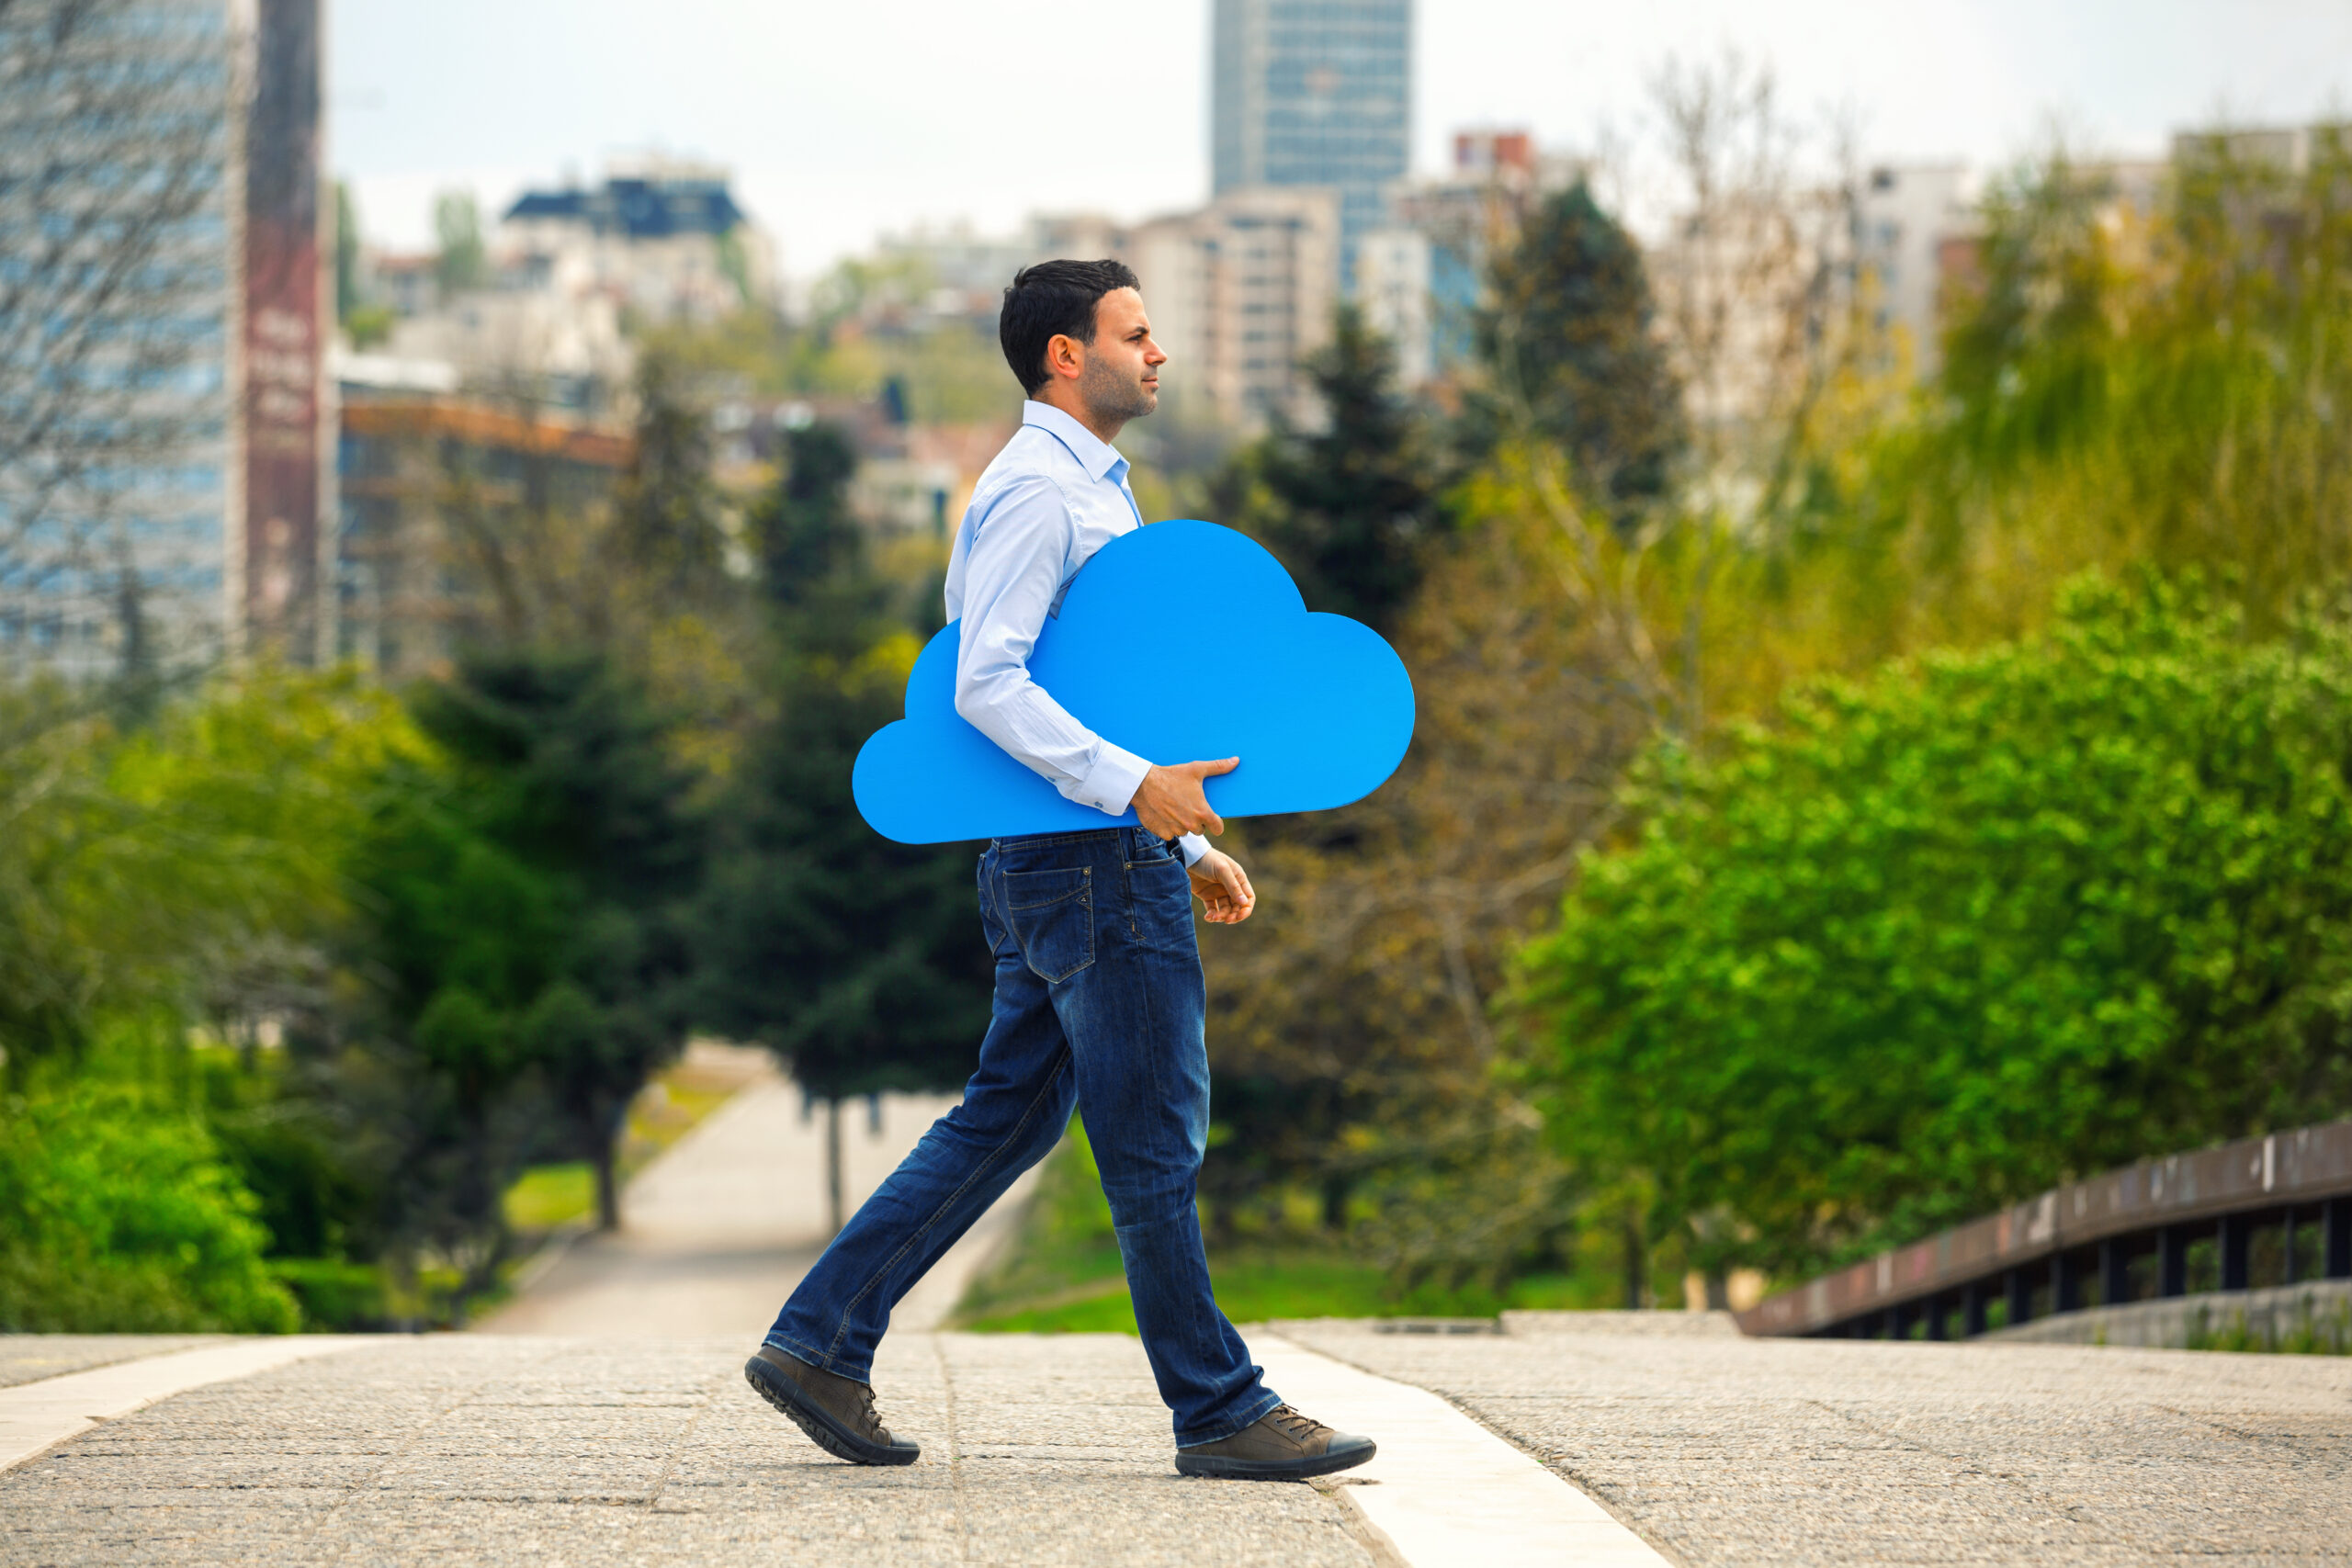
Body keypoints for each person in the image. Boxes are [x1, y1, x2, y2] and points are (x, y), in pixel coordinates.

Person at [743, 259, 1376, 1483]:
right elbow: (987, 683)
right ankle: (1220, 1408)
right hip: (1084, 869)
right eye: (1137, 334)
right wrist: (1140, 799)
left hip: (1078, 859)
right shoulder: (1043, 493)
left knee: (1003, 1122)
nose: (1159, 354)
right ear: (1065, 355)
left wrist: (1183, 837)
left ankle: (820, 1340)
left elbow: (1108, 704)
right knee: (1150, 1142)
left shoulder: (1084, 489)